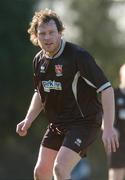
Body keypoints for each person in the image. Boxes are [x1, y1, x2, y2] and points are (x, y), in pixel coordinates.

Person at [16, 9, 119, 180]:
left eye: (51, 32)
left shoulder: (78, 56)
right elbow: (41, 92)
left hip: (84, 123)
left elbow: (106, 89)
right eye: (42, 33)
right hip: (57, 124)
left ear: (60, 33)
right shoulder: (38, 60)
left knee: (60, 169)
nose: (47, 37)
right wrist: (28, 120)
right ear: (35, 36)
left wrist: (108, 127)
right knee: (41, 172)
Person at [108, 64, 125, 180]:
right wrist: (110, 129)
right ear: (121, 77)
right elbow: (104, 118)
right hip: (118, 143)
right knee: (116, 175)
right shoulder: (113, 94)